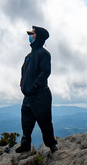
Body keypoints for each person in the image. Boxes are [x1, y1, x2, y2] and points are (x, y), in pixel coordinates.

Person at [16, 25, 58, 153]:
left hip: (40, 95)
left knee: (45, 121)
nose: (30, 36)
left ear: (38, 37)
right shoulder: (28, 56)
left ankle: (51, 145)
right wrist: (23, 85)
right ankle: (25, 145)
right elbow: (23, 72)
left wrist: (35, 85)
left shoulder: (44, 54)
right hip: (28, 96)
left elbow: (45, 72)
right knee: (26, 122)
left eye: (32, 34)